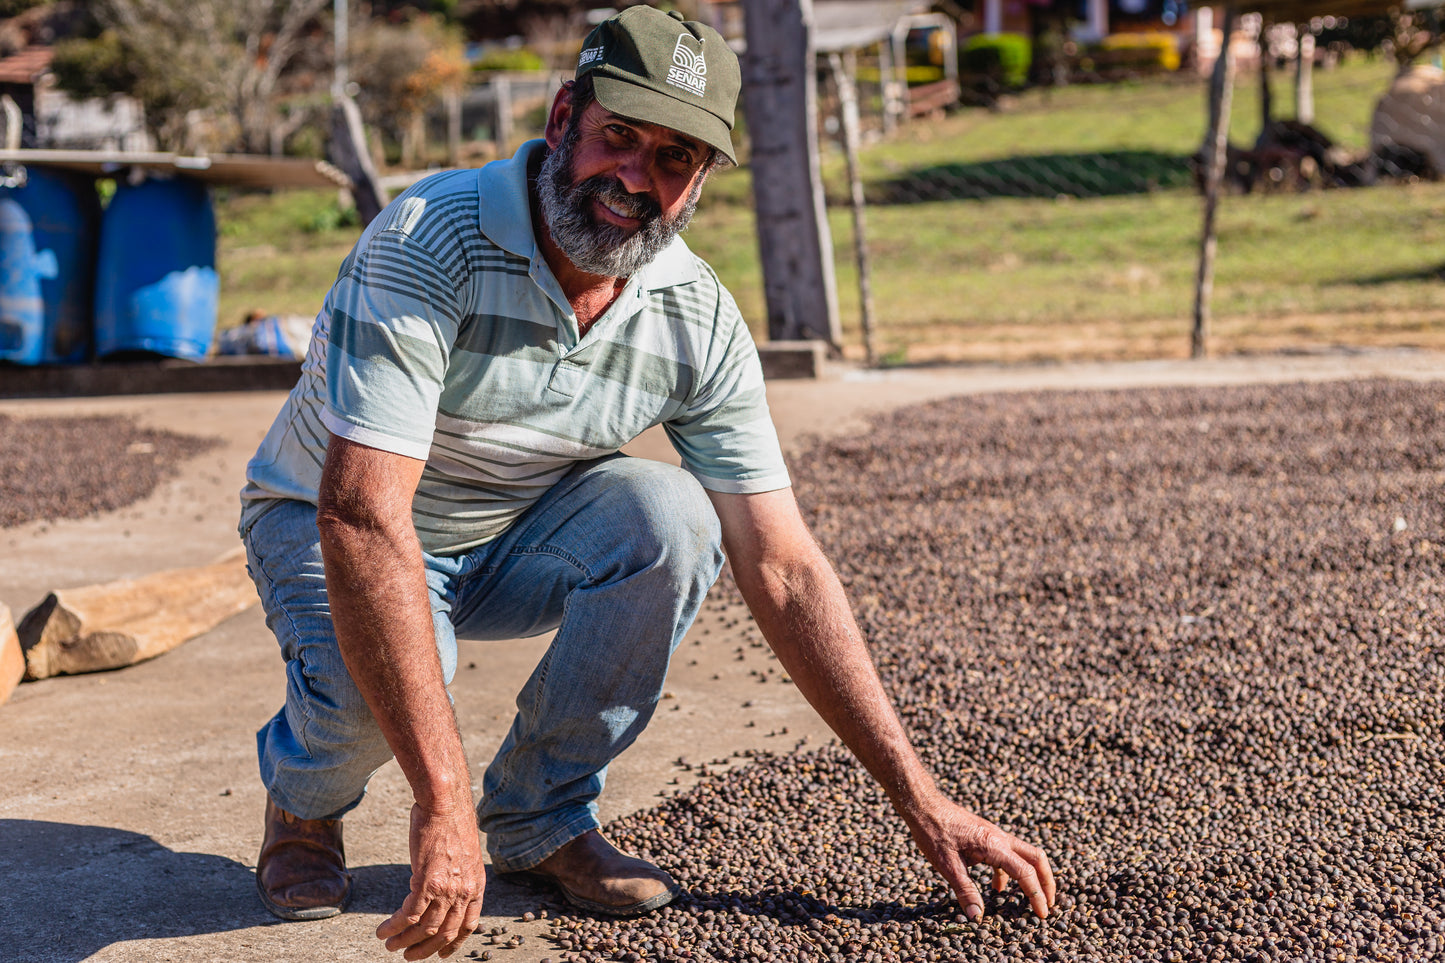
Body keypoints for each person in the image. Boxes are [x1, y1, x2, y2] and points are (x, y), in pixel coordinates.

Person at [238, 6, 1055, 960]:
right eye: (617, 137)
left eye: (673, 159)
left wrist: (919, 798)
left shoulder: (694, 317)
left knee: (674, 516)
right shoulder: (429, 238)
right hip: (323, 519)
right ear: (559, 122)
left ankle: (539, 819)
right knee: (362, 678)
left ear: (700, 180)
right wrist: (440, 802)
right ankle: (303, 805)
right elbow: (362, 517)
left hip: (512, 533)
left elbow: (783, 564)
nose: (635, 179)